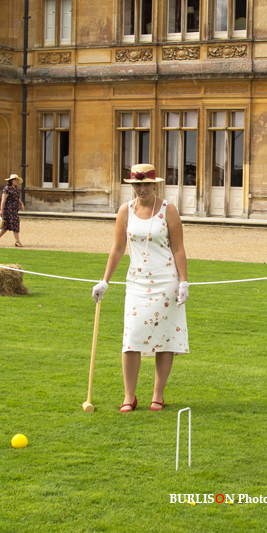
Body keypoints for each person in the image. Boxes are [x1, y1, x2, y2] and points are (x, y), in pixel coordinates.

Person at [92, 164, 189, 413]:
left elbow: (178, 248)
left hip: (166, 281)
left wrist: (184, 281)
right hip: (136, 282)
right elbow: (117, 248)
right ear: (132, 186)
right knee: (131, 339)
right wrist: (105, 280)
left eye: (146, 184)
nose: (142, 189)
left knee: (165, 339)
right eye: (137, 185)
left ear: (154, 185)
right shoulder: (125, 211)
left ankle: (158, 395)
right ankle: (129, 396)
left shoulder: (169, 210)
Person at [0, 174, 25, 247]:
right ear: (11, 181)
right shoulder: (7, 189)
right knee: (15, 223)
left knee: (6, 226)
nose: (16, 181)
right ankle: (17, 241)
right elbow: (3, 200)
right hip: (8, 209)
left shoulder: (16, 189)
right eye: (14, 180)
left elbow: (17, 197)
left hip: (14, 209)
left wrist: (21, 203)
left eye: (17, 180)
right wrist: (1, 210)